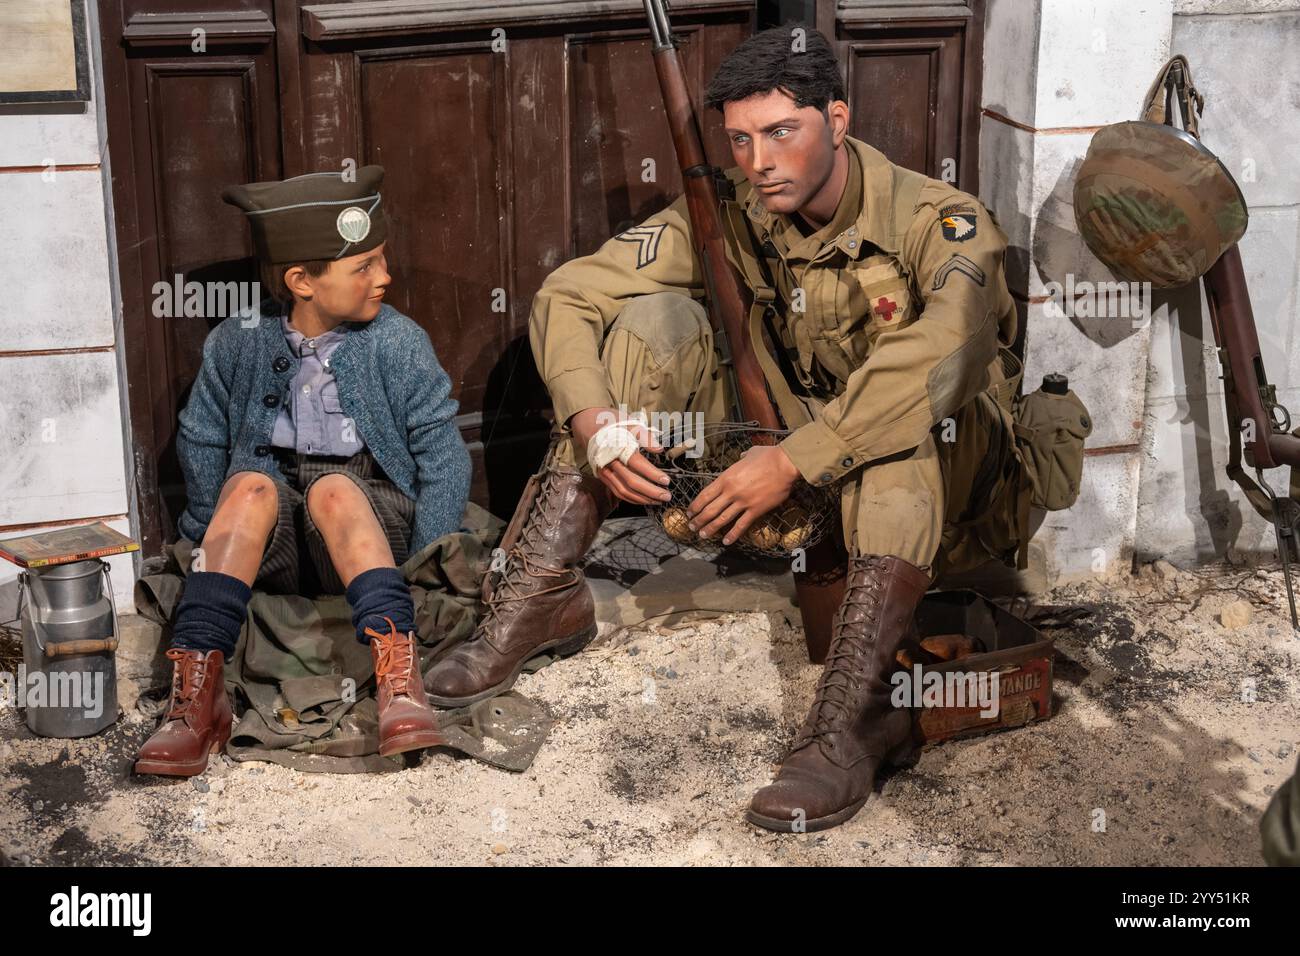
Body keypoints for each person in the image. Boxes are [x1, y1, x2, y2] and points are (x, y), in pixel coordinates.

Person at [426, 25, 1027, 832]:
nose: (758, 161)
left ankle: (858, 720)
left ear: (838, 121)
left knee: (898, 426)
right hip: (798, 452)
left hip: (954, 474)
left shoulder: (940, 221)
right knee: (652, 325)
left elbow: (942, 355)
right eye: (740, 140)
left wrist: (795, 461)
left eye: (782, 132)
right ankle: (546, 592)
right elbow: (570, 293)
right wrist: (595, 419)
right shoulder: (740, 211)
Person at [135, 166, 471, 777]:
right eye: (363, 267)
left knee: (336, 488)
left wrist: (431, 554)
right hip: (274, 529)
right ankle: (196, 701)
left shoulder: (397, 341)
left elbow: (441, 452)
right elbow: (203, 436)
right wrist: (211, 533)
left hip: (367, 518)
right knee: (252, 485)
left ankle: (400, 680)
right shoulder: (239, 339)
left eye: (381, 260)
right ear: (301, 281)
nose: (384, 278)